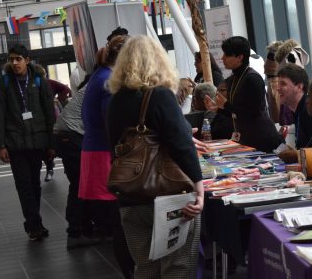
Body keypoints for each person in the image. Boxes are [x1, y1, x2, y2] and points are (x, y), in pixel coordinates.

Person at [106, 35, 204, 278]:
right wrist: (199, 190)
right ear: (159, 61)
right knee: (177, 265)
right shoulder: (159, 96)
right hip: (168, 196)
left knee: (145, 267)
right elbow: (182, 146)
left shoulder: (115, 102)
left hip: (130, 197)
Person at [79, 35, 134, 278]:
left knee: (119, 220)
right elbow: (115, 123)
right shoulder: (107, 81)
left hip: (99, 151)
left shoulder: (100, 76)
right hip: (105, 154)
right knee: (122, 221)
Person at [0, 45, 56, 241]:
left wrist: (51, 143)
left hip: (38, 141)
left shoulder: (39, 80)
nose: (14, 63)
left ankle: (34, 222)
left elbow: (49, 113)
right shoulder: (3, 83)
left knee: (34, 184)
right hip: (15, 143)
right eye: (11, 59)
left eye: (18, 59)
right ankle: (34, 225)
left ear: (27, 60)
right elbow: (0, 115)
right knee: (24, 185)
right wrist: (1, 145)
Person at [205, 36, 282, 152]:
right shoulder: (232, 79)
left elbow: (252, 113)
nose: (222, 58)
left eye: (227, 55)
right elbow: (236, 113)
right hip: (247, 139)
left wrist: (225, 105)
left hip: (263, 140)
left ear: (240, 57)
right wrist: (218, 109)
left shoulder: (253, 79)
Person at [54, 73, 96, 249]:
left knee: (80, 182)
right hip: (72, 136)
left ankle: (83, 228)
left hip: (67, 135)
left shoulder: (93, 82)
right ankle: (76, 232)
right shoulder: (103, 82)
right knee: (80, 183)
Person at [275, 64, 312, 163]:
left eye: (283, 84)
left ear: (299, 87)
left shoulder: (310, 111)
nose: (278, 88)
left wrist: (296, 154)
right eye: (278, 83)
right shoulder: (299, 110)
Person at [43, 78, 72, 181]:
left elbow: (66, 89)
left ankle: (59, 166)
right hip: (44, 120)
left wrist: (59, 99)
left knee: (58, 144)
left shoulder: (48, 83)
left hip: (53, 118)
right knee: (47, 146)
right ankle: (50, 167)